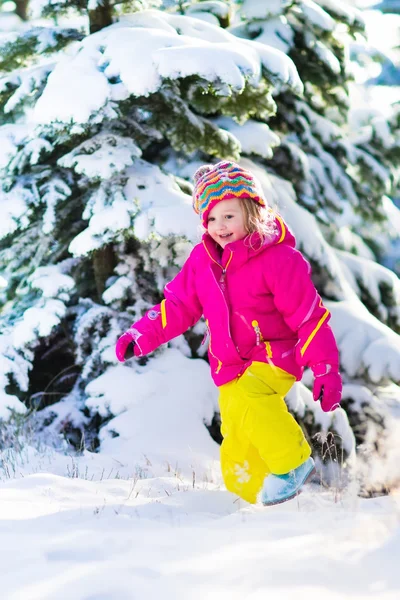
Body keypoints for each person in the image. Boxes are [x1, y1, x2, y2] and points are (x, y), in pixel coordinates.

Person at [115, 160, 342, 506]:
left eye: (229, 216)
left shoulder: (279, 259)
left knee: (253, 398)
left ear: (251, 211)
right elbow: (178, 306)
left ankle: (293, 464)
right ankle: (252, 499)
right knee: (236, 434)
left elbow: (309, 317)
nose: (219, 226)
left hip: (273, 355)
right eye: (211, 218)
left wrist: (325, 367)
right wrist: (141, 334)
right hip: (229, 365)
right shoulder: (202, 262)